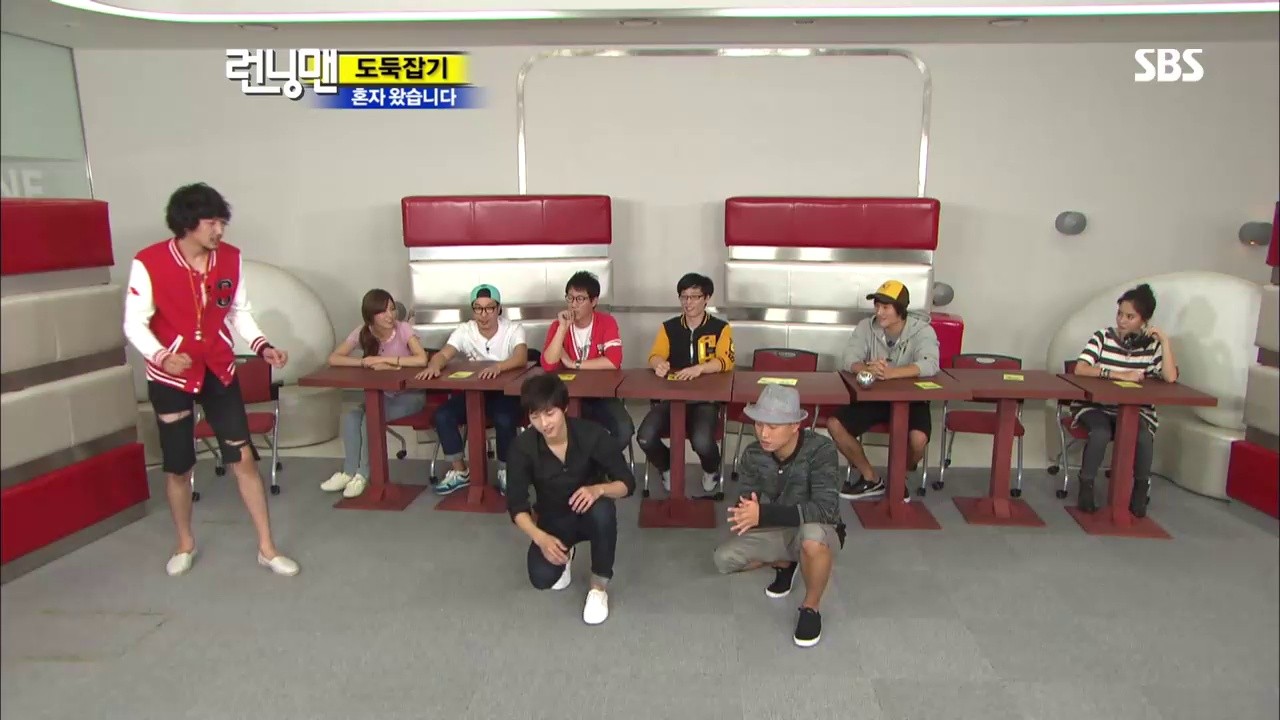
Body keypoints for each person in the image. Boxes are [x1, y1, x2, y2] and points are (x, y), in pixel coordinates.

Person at [123, 182, 298, 577]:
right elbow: (134, 323)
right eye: (211, 223)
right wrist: (162, 356)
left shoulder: (230, 259)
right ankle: (185, 543)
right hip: (171, 377)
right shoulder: (149, 262)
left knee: (244, 458)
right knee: (179, 466)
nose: (219, 230)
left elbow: (238, 312)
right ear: (187, 223)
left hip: (218, 370)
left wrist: (262, 346)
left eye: (222, 222)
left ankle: (267, 548)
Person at [712, 384, 843, 648]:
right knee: (723, 559)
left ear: (795, 426)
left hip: (819, 527)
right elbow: (747, 500)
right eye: (759, 424)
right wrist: (746, 511)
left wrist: (762, 513)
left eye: (773, 426)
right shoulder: (753, 454)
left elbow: (826, 509)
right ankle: (787, 562)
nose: (763, 433)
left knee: (811, 538)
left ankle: (810, 608)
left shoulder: (822, 450)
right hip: (779, 525)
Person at [506, 373, 636, 625]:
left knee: (603, 511)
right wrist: (540, 538)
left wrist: (598, 490)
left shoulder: (592, 435)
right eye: (535, 416)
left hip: (590, 513)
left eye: (550, 413)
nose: (544, 423)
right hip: (552, 519)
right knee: (542, 578)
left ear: (564, 408)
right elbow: (516, 505)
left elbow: (627, 484)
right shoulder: (522, 447)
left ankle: (598, 587)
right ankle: (567, 552)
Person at [1069, 283, 1178, 517]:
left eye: (1130, 317)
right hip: (1096, 406)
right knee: (1101, 432)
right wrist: (1119, 374)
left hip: (1134, 410)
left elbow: (1170, 377)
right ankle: (1086, 486)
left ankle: (1140, 489)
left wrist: (1165, 341)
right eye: (1120, 314)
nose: (1122, 320)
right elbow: (1081, 368)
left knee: (1143, 437)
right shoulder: (1102, 337)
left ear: (1144, 321)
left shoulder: (1152, 346)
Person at [827, 279, 940, 500]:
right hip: (873, 398)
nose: (879, 312)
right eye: (877, 306)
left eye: (885, 307)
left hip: (911, 400)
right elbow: (848, 359)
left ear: (900, 309)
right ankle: (870, 478)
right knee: (835, 424)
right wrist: (866, 368)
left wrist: (891, 373)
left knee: (918, 440)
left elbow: (931, 364)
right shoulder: (865, 327)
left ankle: (899, 478)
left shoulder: (923, 330)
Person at [415, 284, 527, 495]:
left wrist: (498, 367)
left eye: (489, 308)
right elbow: (444, 354)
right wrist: (434, 365)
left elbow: (521, 357)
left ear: (498, 309)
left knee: (505, 419)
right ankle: (460, 471)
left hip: (505, 394)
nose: (483, 314)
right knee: (443, 415)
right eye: (478, 308)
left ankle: (506, 471)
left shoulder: (513, 329)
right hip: (473, 393)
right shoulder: (465, 330)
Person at [321, 288, 430, 498]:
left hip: (409, 396)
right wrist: (364, 362)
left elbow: (421, 359)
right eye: (383, 311)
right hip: (381, 396)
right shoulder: (363, 331)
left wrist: (384, 360)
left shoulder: (403, 329)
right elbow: (334, 358)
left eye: (392, 309)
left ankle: (363, 474)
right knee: (351, 417)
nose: (390, 316)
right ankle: (348, 472)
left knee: (370, 418)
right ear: (370, 315)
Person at [636, 272, 735, 494]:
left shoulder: (721, 328)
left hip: (706, 400)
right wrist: (659, 364)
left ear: (706, 298)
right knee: (644, 437)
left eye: (694, 297)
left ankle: (711, 469)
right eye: (684, 297)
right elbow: (655, 355)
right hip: (672, 398)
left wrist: (700, 368)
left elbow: (726, 361)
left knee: (702, 441)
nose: (688, 302)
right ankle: (667, 467)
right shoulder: (669, 327)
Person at [540, 271, 635, 447]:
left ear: (594, 301)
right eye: (570, 298)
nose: (573, 304)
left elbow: (613, 362)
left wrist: (572, 363)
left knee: (624, 429)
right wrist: (562, 329)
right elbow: (548, 365)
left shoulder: (607, 323)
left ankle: (598, 462)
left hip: (600, 394)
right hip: (565, 396)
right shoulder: (558, 326)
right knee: (566, 434)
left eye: (580, 299)